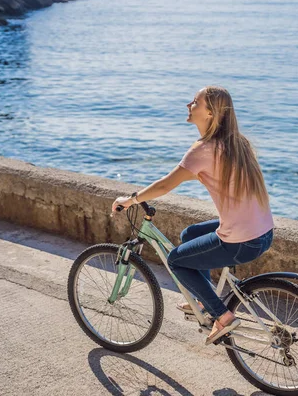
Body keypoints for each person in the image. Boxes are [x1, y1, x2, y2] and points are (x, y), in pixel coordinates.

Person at [112, 86, 274, 345]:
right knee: (190, 234)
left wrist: (131, 200)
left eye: (195, 102)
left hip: (240, 240)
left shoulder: (204, 150)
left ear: (210, 113)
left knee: (177, 262)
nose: (189, 105)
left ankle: (222, 316)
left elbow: (165, 185)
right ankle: (203, 297)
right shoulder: (237, 143)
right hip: (264, 232)